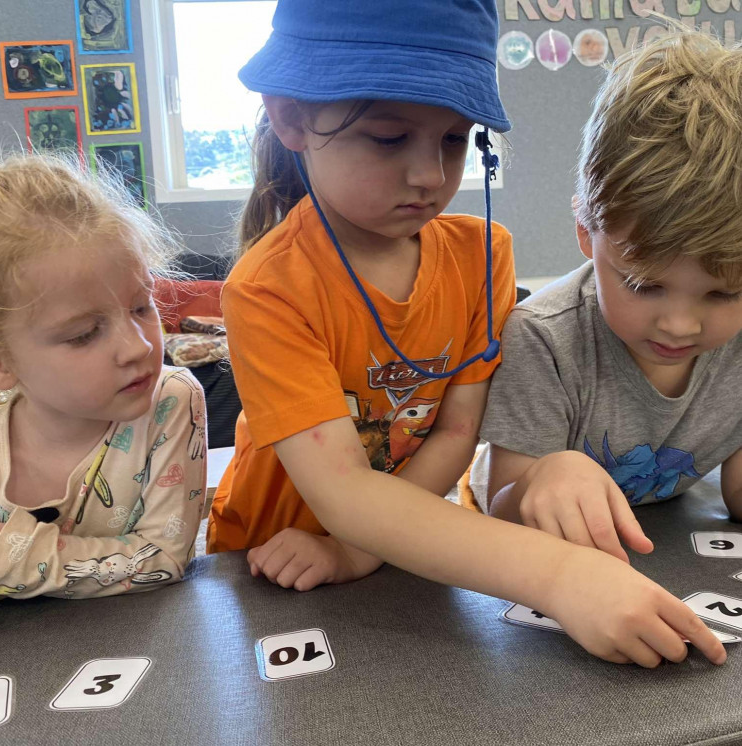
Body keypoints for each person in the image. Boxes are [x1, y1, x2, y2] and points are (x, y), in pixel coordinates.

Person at [207, 0, 726, 667]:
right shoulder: (266, 288)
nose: (429, 175)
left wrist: (360, 550)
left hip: (422, 554)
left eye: (455, 139)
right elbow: (342, 492)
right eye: (391, 139)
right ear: (291, 118)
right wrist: (559, 576)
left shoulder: (485, 255)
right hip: (276, 555)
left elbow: (456, 435)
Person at [476, 29, 742, 568]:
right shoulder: (543, 341)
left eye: (724, 293)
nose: (681, 326)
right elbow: (498, 511)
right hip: (546, 562)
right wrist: (538, 479)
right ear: (584, 231)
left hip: (668, 547)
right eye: (644, 285)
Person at [0, 153, 207, 600]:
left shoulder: (169, 399)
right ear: (2, 362)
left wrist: (10, 559)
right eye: (84, 334)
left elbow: (162, 557)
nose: (141, 347)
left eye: (141, 306)